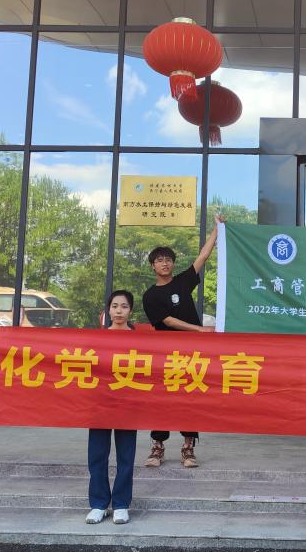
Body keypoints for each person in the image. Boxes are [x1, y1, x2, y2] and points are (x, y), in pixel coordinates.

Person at [142, 214, 224, 468]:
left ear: (173, 263)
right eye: (159, 260)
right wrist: (199, 329)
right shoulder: (150, 296)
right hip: (165, 355)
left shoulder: (182, 282)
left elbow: (203, 257)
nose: (164, 263)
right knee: (162, 399)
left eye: (168, 259)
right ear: (153, 266)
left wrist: (217, 229)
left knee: (190, 397)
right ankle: (157, 447)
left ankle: (188, 448)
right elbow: (167, 321)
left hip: (191, 353)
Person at [86, 290, 142, 525]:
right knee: (97, 455)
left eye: (124, 306)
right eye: (115, 306)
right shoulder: (97, 339)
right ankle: (98, 504)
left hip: (128, 403)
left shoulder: (141, 341)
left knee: (126, 456)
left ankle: (120, 504)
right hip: (100, 402)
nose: (119, 311)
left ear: (131, 311)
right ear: (108, 310)